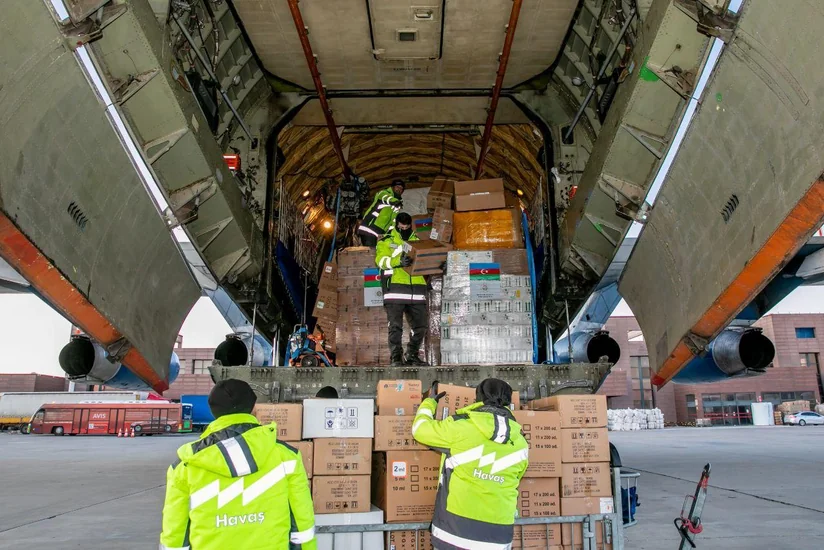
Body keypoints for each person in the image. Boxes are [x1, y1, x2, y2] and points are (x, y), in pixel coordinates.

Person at [160, 379, 316, 550]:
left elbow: (175, 533)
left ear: (214, 412)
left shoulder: (185, 466)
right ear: (254, 408)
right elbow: (302, 524)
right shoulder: (287, 457)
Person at [412, 378, 529, 550]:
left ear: (478, 399)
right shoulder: (520, 442)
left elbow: (419, 430)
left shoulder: (461, 427)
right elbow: (518, 477)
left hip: (455, 533)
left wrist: (429, 403)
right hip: (499, 537)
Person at [376, 212, 429, 366]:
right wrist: (397, 261)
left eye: (407, 226)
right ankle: (396, 357)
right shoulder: (386, 240)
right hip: (395, 289)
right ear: (396, 224)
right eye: (401, 226)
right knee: (395, 327)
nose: (404, 228)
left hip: (417, 291)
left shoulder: (417, 242)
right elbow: (380, 260)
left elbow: (426, 262)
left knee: (421, 326)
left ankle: (411, 355)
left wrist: (438, 265)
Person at [358, 179, 405, 247]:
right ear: (392, 187)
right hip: (369, 229)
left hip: (380, 234)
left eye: (401, 188)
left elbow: (393, 221)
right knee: (371, 254)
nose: (399, 189)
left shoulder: (396, 205)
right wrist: (395, 202)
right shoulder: (384, 193)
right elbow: (386, 198)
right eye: (397, 187)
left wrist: (389, 234)